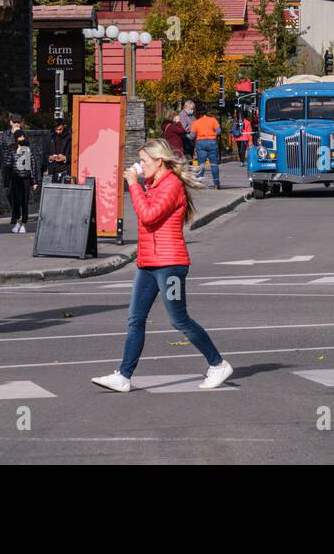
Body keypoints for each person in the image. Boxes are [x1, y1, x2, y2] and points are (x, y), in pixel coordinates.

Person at [91, 139, 232, 393]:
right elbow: (149, 212)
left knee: (179, 320)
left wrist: (133, 185)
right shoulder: (156, 184)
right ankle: (124, 376)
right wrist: (141, 183)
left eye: (144, 161)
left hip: (170, 265)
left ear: (159, 161)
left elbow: (148, 216)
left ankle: (218, 364)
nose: (140, 166)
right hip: (148, 263)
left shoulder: (172, 186)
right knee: (135, 319)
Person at [7, 130, 41, 233]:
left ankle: (24, 224)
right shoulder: (12, 149)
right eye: (20, 137)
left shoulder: (28, 150)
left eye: (23, 137)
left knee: (24, 201)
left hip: (25, 178)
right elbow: (8, 164)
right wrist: (7, 180)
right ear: (16, 138)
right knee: (16, 202)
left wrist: (34, 181)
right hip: (15, 179)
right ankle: (17, 222)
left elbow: (33, 165)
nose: (22, 139)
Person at [190, 104, 222, 189]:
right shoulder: (213, 120)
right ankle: (216, 184)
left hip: (200, 143)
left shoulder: (196, 122)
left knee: (201, 165)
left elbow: (192, 135)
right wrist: (213, 135)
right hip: (212, 142)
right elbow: (219, 131)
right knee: (214, 164)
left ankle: (199, 184)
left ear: (199, 113)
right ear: (206, 112)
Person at [46, 117, 72, 183]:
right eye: (56, 129)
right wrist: (50, 157)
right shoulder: (50, 137)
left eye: (60, 129)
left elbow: (75, 156)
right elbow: (45, 153)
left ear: (64, 127)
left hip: (65, 170)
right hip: (53, 170)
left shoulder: (70, 138)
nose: (58, 132)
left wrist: (65, 158)